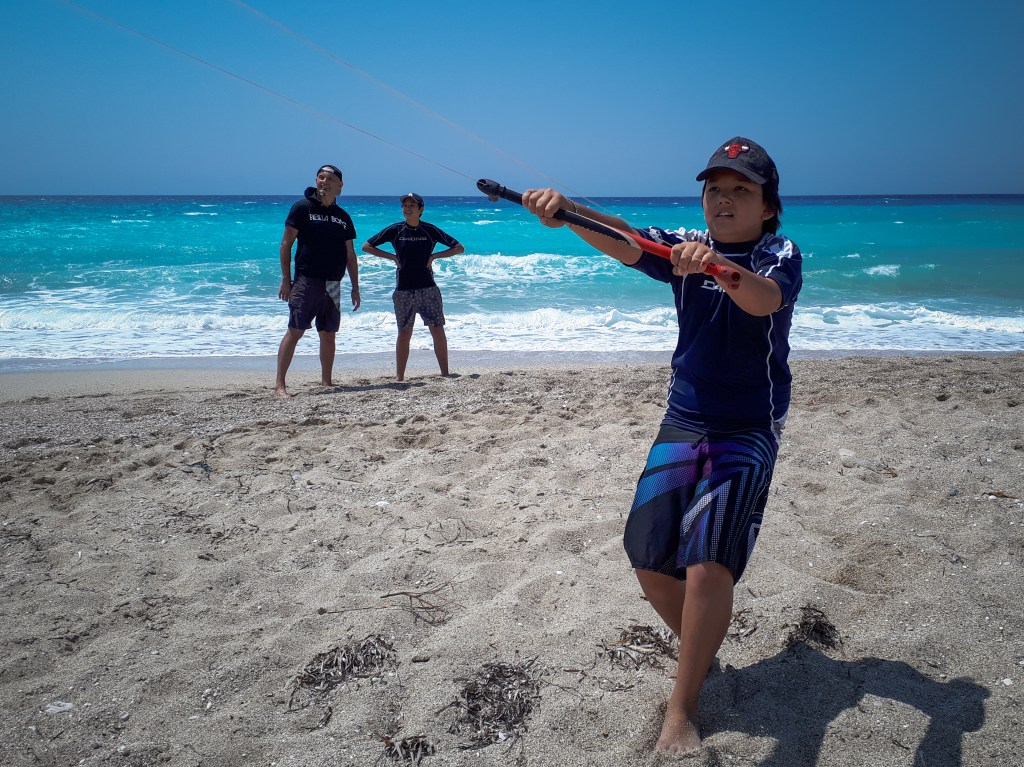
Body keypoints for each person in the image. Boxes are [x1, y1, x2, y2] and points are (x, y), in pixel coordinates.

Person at [522, 137, 803, 754]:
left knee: (707, 565)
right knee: (649, 559)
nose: (724, 201)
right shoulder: (680, 242)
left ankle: (684, 705)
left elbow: (764, 299)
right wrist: (564, 210)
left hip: (748, 426)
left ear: (767, 206)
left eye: (741, 191)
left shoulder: (777, 251)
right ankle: (702, 655)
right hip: (684, 416)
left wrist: (712, 267)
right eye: (715, 190)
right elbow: (625, 238)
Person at [275, 164, 360, 397]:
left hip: (333, 283)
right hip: (306, 280)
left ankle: (326, 382)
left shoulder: (343, 217)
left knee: (328, 333)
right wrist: (286, 280)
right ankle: (280, 385)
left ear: (340, 186)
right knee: (295, 330)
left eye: (330, 179)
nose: (324, 182)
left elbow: (350, 255)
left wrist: (355, 287)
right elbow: (286, 245)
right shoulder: (302, 208)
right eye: (320, 177)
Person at [361, 193, 464, 381]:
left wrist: (434, 257)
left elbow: (458, 248)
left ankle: (445, 373)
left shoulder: (429, 230)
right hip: (403, 290)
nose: (407, 209)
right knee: (404, 332)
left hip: (428, 289)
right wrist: (392, 257)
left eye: (412, 206)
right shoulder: (396, 230)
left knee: (437, 329)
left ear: (421, 210)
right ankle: (400, 377)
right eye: (405, 206)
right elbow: (367, 246)